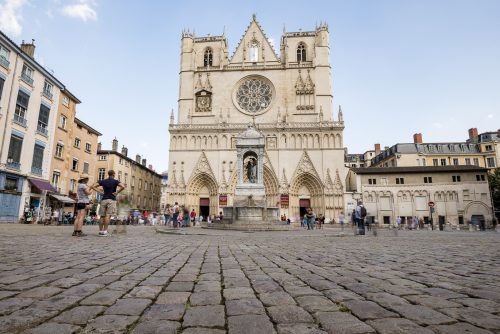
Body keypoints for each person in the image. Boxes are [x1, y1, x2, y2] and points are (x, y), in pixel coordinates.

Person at [91, 170, 125, 236]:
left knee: (102, 216)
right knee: (108, 215)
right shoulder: (115, 181)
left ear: (108, 174)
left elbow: (93, 186)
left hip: (104, 199)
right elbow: (123, 186)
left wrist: (99, 191)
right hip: (111, 200)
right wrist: (117, 192)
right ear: (114, 174)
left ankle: (100, 231)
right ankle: (105, 231)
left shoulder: (103, 181)